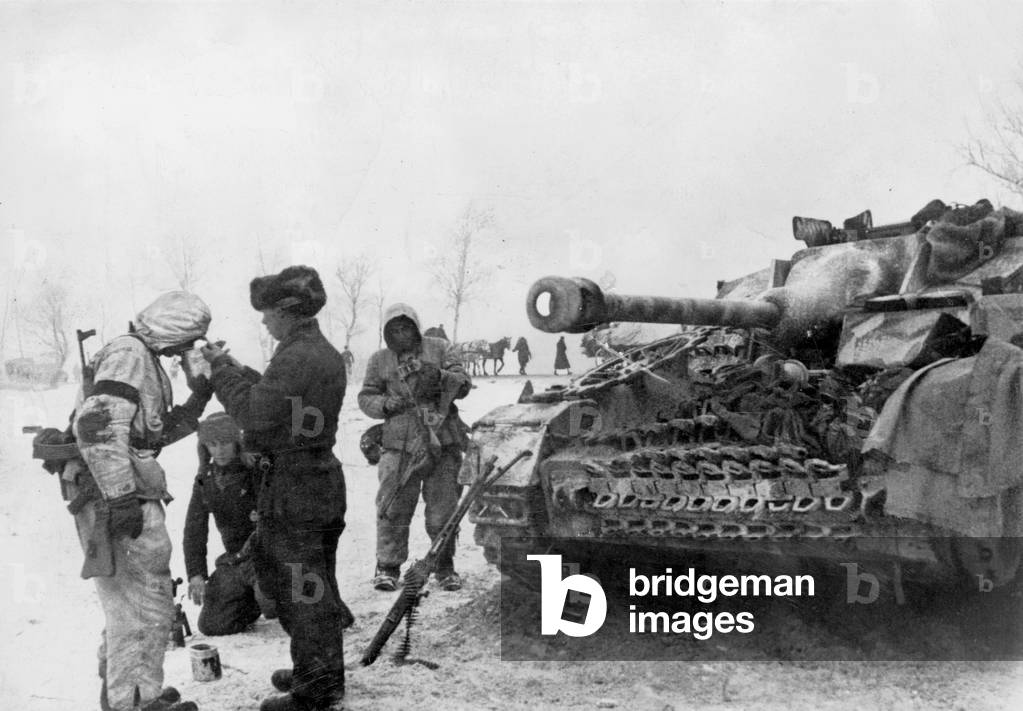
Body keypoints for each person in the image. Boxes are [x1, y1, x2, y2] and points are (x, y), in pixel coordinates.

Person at [201, 265, 349, 711]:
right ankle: (317, 670)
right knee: (314, 585)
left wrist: (219, 371)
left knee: (302, 590)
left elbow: (254, 414)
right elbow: (276, 396)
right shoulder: (313, 353)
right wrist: (232, 367)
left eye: (267, 314)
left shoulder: (295, 357)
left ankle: (317, 689)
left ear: (287, 312)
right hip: (317, 480)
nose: (264, 322)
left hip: (295, 489)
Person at [67, 291, 214, 711]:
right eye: (188, 339)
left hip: (119, 490)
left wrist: (197, 398)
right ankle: (134, 700)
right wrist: (121, 498)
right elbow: (97, 427)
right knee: (144, 603)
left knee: (131, 602)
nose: (186, 350)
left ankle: (132, 693)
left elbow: (149, 433)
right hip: (116, 494)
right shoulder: (132, 355)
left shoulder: (138, 356)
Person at [359, 303, 471, 592]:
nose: (401, 333)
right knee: (393, 507)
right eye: (394, 329)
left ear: (415, 326)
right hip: (398, 443)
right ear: (387, 333)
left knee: (442, 510)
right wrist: (385, 404)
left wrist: (439, 377)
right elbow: (366, 396)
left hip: (441, 439)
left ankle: (444, 567)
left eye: (405, 326)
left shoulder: (440, 348)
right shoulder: (379, 360)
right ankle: (387, 567)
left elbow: (463, 383)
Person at [184, 412, 277, 636]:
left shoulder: (256, 469)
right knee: (212, 625)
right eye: (212, 445)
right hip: (235, 561)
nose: (220, 450)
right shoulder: (205, 479)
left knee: (274, 606)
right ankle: (251, 600)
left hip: (266, 555)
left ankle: (268, 596)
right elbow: (194, 529)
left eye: (225, 443)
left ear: (237, 442)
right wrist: (196, 574)